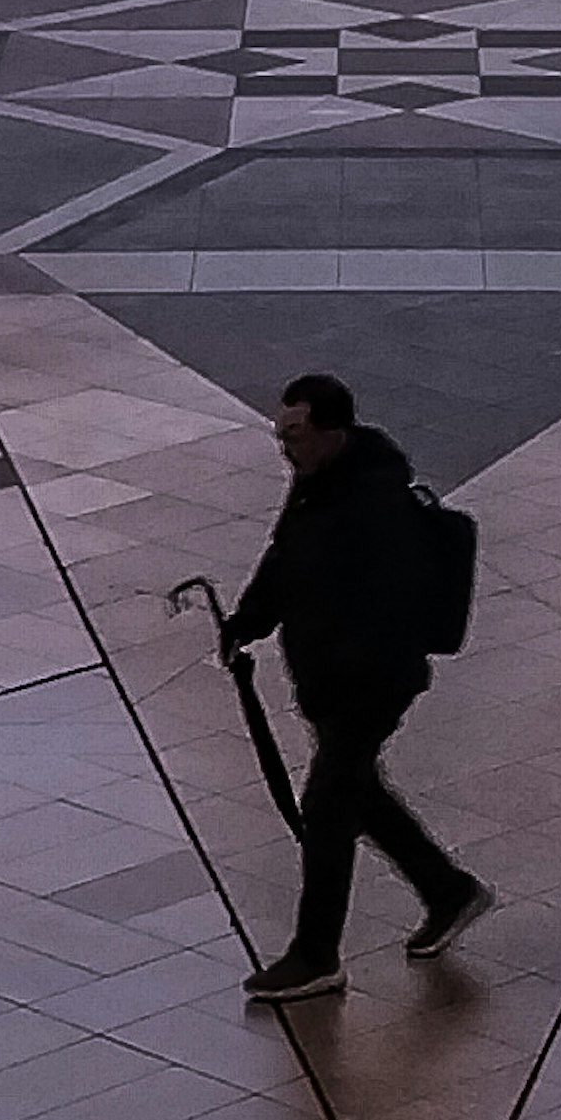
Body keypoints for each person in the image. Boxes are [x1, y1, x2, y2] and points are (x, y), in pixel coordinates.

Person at [225, 373, 487, 1001]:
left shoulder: (373, 504)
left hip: (369, 682)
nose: (284, 446)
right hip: (330, 678)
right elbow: (284, 559)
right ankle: (448, 891)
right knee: (357, 791)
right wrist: (246, 623)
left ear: (331, 431)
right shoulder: (318, 481)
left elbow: (378, 607)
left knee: (326, 805)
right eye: (281, 433)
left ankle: (316, 955)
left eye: (294, 434)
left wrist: (344, 673)